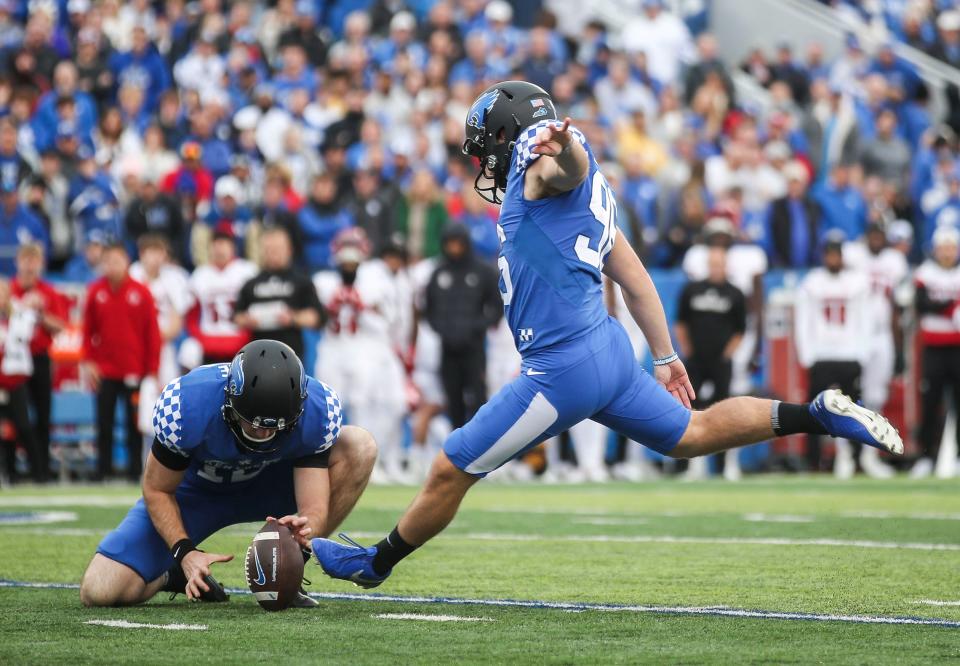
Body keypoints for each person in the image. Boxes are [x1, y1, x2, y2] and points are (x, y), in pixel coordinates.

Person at [311, 81, 903, 588]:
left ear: (508, 135)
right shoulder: (590, 198)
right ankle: (816, 413)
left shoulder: (545, 167)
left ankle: (376, 563)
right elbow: (638, 280)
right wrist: (666, 355)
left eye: (483, 148)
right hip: (610, 351)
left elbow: (563, 167)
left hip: (563, 368)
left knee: (450, 468)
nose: (481, 164)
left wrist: (564, 145)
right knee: (692, 433)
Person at [78, 339, 377, 608]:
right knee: (101, 589)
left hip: (271, 485)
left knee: (359, 446)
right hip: (197, 493)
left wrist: (304, 531)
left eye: (275, 426)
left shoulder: (316, 410)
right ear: (230, 402)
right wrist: (184, 553)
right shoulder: (188, 405)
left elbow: (314, 508)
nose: (263, 433)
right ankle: (172, 575)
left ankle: (289, 573)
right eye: (254, 423)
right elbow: (157, 489)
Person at [314, 228, 409, 483]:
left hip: (360, 348)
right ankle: (320, 463)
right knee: (327, 407)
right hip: (332, 347)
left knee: (363, 404)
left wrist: (362, 304)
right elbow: (320, 312)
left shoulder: (373, 281)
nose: (348, 262)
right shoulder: (323, 281)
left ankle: (366, 461)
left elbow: (387, 318)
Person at [82, 242, 161, 481]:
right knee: (103, 422)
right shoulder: (96, 292)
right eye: (108, 261)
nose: (112, 266)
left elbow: (152, 334)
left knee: (133, 424)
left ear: (126, 262)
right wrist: (89, 362)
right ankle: (102, 470)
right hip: (105, 371)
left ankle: (132, 471)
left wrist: (152, 370)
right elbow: (87, 331)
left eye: (116, 261)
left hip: (134, 371)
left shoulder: (142, 292)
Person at [794, 236, 872, 478]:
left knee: (854, 410)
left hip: (849, 354)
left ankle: (856, 458)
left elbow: (865, 319)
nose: (833, 259)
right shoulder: (812, 282)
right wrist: (807, 355)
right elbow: (802, 319)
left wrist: (862, 353)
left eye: (836, 254)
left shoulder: (857, 282)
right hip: (822, 355)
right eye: (829, 255)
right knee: (815, 411)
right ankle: (814, 460)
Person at [675, 244, 746, 479]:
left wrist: (727, 354)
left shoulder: (735, 293)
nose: (717, 269)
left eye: (720, 264)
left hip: (720, 362)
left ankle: (725, 465)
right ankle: (691, 465)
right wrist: (687, 350)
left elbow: (740, 329)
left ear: (726, 266)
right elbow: (681, 322)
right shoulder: (692, 289)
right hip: (696, 360)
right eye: (713, 264)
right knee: (690, 410)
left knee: (724, 411)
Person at [843, 223, 908, 478]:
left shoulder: (895, 261)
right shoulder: (854, 257)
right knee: (847, 395)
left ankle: (869, 455)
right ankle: (846, 456)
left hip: (881, 335)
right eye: (872, 235)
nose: (876, 240)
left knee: (877, 396)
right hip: (856, 335)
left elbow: (895, 306)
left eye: (880, 236)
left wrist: (898, 345)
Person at [424, 223, 502, 429]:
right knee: (453, 399)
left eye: (458, 243)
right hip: (448, 347)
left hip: (474, 347)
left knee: (477, 397)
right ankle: (456, 448)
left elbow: (496, 306)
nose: (454, 248)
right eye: (450, 244)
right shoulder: (438, 273)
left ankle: (481, 447)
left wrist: (477, 327)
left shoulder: (482, 271)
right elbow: (428, 309)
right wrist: (443, 329)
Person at [11, 243, 68, 483]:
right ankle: (13, 468)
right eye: (26, 259)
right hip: (13, 359)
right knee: (16, 417)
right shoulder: (10, 289)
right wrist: (20, 306)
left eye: (34, 260)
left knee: (43, 415)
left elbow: (61, 326)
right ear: (18, 262)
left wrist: (41, 312)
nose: (29, 265)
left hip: (39, 357)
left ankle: (42, 470)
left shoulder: (48, 291)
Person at [912, 226, 960, 478]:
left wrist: (941, 306)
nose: (947, 253)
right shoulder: (925, 273)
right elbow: (921, 304)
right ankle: (926, 455)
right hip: (934, 348)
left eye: (951, 248)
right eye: (943, 248)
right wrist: (950, 306)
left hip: (958, 348)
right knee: (930, 403)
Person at [234, 226, 322, 359]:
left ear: (289, 250)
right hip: (257, 355)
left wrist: (292, 318)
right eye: (269, 249)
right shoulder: (251, 284)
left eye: (278, 249)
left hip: (291, 354)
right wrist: (248, 320)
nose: (274, 254)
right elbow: (236, 317)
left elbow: (317, 317)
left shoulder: (302, 282)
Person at [182, 231, 258, 367]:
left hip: (239, 338)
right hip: (209, 336)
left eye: (224, 245)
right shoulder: (200, 274)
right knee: (188, 350)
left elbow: (256, 308)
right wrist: (201, 337)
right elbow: (191, 315)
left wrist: (248, 333)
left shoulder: (247, 271)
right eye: (216, 246)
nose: (219, 250)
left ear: (233, 248)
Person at [0, 277, 42, 483]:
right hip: (1, 380)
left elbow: (26, 333)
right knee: (4, 430)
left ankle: (38, 472)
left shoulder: (20, 313)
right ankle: (10, 473)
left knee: (23, 427)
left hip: (15, 378)